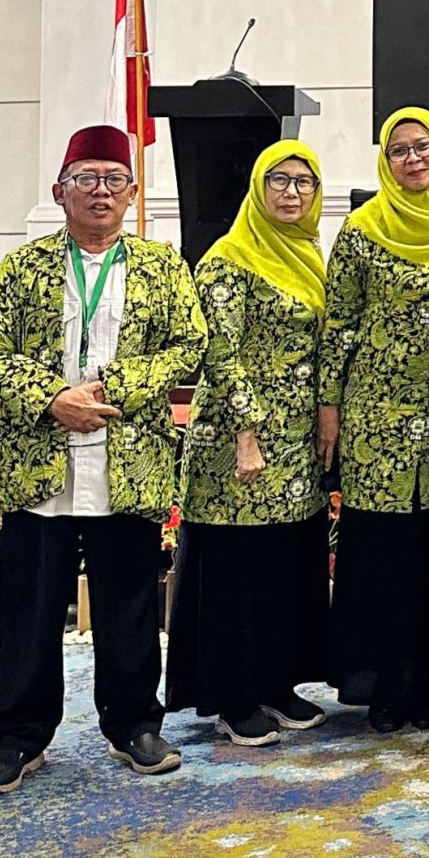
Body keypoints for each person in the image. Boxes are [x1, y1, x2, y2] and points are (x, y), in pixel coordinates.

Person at [0, 128, 206, 793]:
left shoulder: (162, 267)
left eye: (113, 179)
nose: (100, 191)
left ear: (132, 193)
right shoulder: (25, 266)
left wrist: (115, 389)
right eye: (86, 178)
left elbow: (188, 345)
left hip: (127, 459)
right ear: (60, 191)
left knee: (128, 603)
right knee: (29, 607)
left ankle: (134, 726)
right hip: (37, 461)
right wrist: (53, 398)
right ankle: (17, 738)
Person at [167, 142, 331, 746]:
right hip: (238, 439)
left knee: (282, 563)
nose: (292, 192)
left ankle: (275, 683)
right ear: (258, 189)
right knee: (236, 567)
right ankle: (233, 697)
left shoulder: (308, 253)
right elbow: (221, 352)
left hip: (296, 439)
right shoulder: (228, 260)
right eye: (278, 180)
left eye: (304, 182)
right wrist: (246, 434)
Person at [320, 107, 429, 732]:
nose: (413, 159)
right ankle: (385, 686)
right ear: (385, 161)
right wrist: (329, 406)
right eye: (399, 150)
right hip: (377, 414)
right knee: (384, 550)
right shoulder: (362, 229)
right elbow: (339, 322)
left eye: (423, 147)